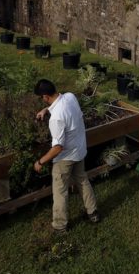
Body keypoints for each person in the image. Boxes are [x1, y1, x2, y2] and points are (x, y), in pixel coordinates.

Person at [34, 78, 99, 233]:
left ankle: (60, 226)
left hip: (65, 158)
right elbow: (60, 106)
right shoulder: (70, 96)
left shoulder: (56, 118)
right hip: (79, 149)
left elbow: (57, 148)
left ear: (45, 97)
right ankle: (93, 213)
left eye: (42, 98)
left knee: (60, 191)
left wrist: (40, 161)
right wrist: (46, 110)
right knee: (82, 180)